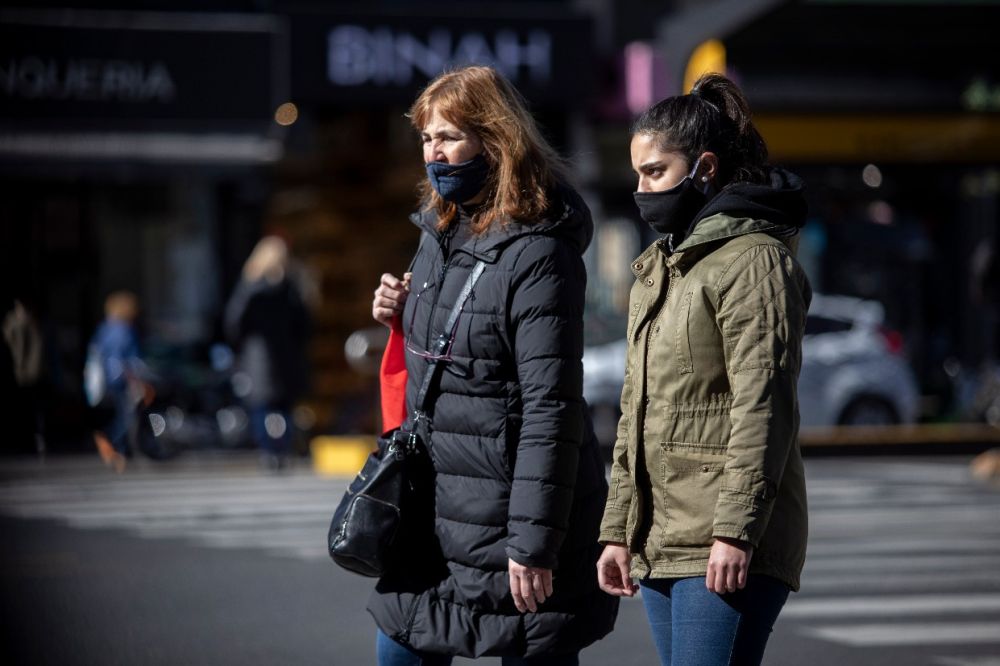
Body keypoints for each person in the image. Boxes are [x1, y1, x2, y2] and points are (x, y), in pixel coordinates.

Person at [369, 65, 618, 665]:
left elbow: (550, 408)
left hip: (513, 526)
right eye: (427, 138)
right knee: (397, 645)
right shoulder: (438, 233)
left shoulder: (540, 252)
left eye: (449, 136)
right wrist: (401, 316)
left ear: (495, 137)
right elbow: (454, 359)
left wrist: (532, 544)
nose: (435, 152)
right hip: (434, 518)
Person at [595, 73, 811, 666]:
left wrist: (736, 530)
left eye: (655, 172)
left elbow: (763, 406)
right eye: (637, 173)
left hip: (725, 540)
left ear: (705, 168)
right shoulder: (661, 268)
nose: (641, 190)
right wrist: (619, 530)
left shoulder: (755, 260)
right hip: (662, 539)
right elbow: (634, 413)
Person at [225, 235, 311, 470]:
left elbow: (234, 322)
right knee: (284, 407)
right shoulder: (290, 287)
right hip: (286, 356)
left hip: (258, 357)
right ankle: (282, 448)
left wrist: (241, 346)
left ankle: (268, 451)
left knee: (262, 406)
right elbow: (304, 323)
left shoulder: (250, 286)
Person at [88, 291, 143, 470]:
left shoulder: (104, 328)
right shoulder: (123, 330)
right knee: (127, 417)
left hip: (109, 380)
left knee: (121, 415)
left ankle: (114, 448)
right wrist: (129, 377)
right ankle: (112, 443)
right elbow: (123, 358)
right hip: (121, 379)